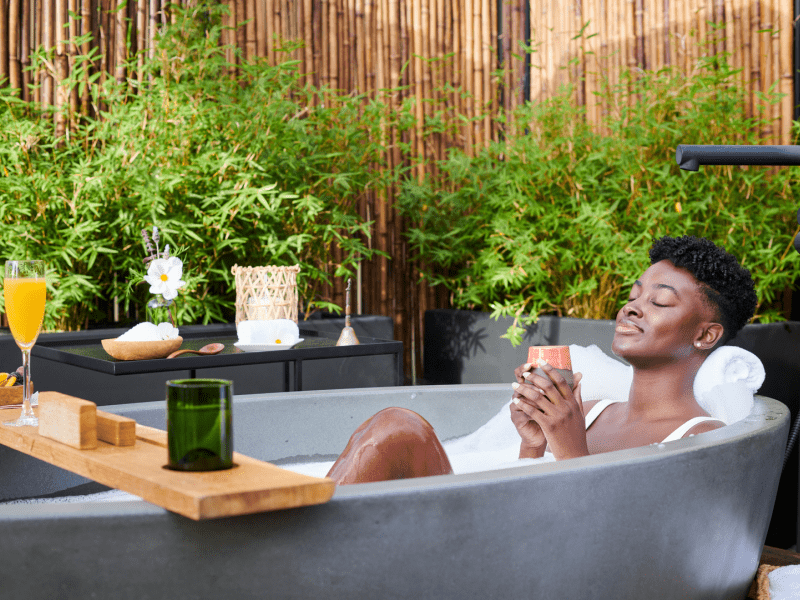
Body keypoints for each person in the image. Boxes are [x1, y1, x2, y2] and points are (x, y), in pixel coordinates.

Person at [326, 235, 758, 484]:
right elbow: (523, 504)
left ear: (706, 334)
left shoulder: (701, 438)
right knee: (396, 428)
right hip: (503, 545)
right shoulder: (589, 412)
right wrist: (532, 447)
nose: (631, 308)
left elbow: (629, 545)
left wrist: (570, 450)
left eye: (660, 303)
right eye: (633, 295)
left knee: (400, 429)